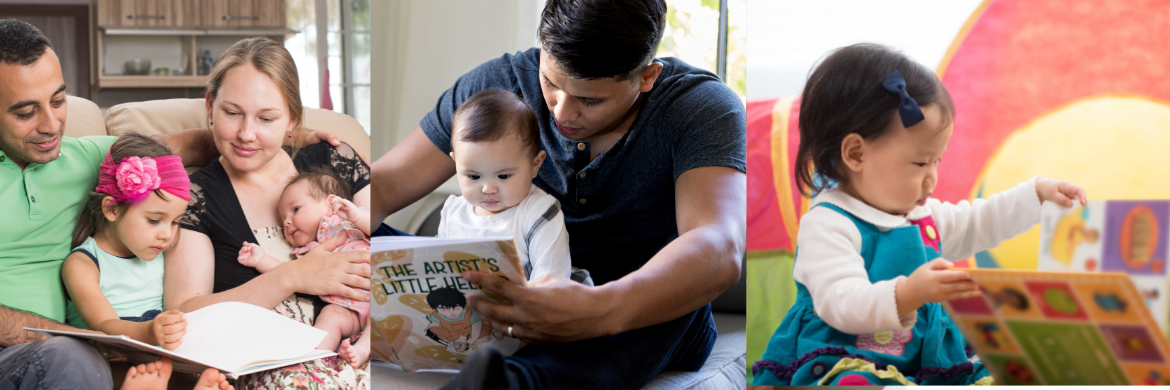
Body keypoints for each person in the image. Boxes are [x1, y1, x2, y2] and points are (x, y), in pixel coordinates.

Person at [371, 0, 746, 388]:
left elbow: (718, 244)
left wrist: (600, 309)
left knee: (663, 308)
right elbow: (382, 185)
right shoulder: (497, 86)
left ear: (647, 77)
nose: (563, 113)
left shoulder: (701, 109)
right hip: (509, 286)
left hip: (627, 301)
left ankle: (510, 382)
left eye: (590, 100)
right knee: (351, 232)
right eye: (551, 83)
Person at [750, 43, 1088, 386]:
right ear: (855, 154)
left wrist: (1037, 195)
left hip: (929, 358)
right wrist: (909, 293)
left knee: (1008, 369)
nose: (932, 178)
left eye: (937, 161)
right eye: (920, 162)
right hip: (845, 356)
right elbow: (842, 302)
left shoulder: (922, 215)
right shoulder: (828, 224)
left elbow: (979, 222)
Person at [166, 37, 371, 389]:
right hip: (277, 371)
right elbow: (184, 314)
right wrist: (292, 276)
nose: (247, 134)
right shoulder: (198, 196)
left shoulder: (335, 160)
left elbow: (393, 248)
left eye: (267, 118)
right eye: (232, 113)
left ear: (292, 119)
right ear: (210, 106)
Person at [238, 168, 372, 366]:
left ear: (329, 203)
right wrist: (260, 260)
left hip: (379, 291)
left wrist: (357, 216)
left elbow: (378, 230)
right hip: (349, 310)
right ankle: (316, 360)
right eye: (283, 219)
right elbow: (287, 273)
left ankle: (363, 349)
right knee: (330, 316)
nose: (287, 221)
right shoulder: (309, 252)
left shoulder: (347, 223)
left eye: (296, 209)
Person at [438, 88, 571, 282]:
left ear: (535, 164)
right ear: (456, 163)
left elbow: (552, 281)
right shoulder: (453, 212)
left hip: (526, 309)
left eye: (504, 176)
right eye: (474, 177)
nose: (488, 189)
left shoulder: (538, 212)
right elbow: (437, 270)